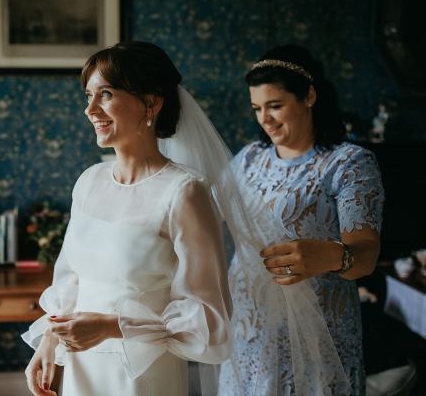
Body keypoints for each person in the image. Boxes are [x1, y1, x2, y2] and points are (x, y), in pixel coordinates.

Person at [22, 41, 234, 396]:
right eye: (88, 95)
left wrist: (112, 326)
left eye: (105, 94)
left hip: (141, 374)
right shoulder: (89, 182)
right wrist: (49, 342)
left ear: (151, 102)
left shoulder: (185, 192)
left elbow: (209, 320)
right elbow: (72, 279)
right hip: (81, 368)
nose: (90, 109)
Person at [219, 44, 385, 395]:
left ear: (309, 96)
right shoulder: (250, 158)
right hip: (249, 333)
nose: (265, 119)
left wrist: (331, 255)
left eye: (275, 106)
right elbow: (208, 215)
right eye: (257, 109)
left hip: (316, 338)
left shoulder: (347, 162)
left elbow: (367, 254)